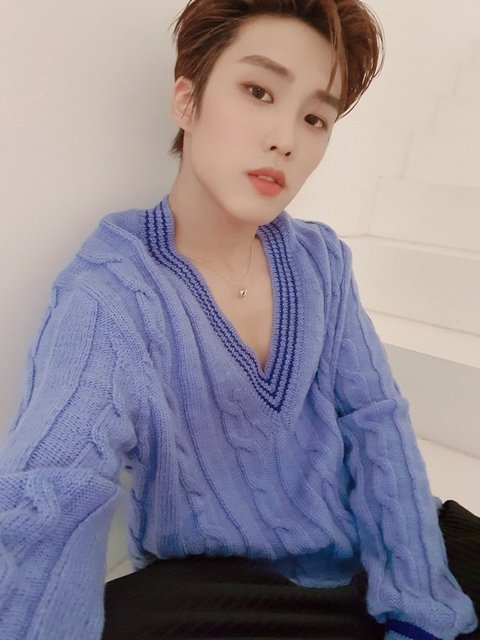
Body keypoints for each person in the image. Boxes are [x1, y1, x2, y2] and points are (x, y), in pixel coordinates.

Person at [0, 0, 478, 638]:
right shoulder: (111, 291)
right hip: (224, 586)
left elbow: (375, 421)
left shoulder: (321, 261)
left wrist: (417, 603)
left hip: (368, 548)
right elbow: (50, 492)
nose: (287, 138)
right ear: (187, 101)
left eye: (315, 117)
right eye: (259, 91)